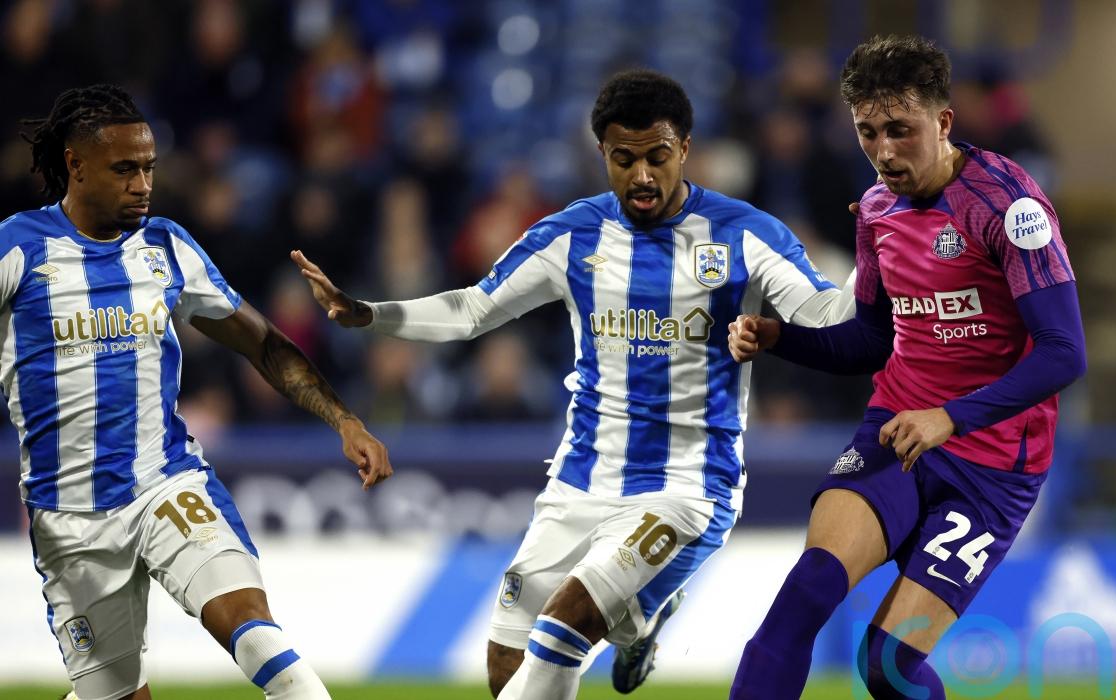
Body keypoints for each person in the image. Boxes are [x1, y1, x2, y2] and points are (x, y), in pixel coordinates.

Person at [292, 69, 855, 699]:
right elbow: (474, 308)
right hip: (580, 480)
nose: (642, 176)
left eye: (657, 157)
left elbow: (830, 317)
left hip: (686, 485)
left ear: (685, 149)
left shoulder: (744, 234)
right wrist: (370, 313)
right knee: (506, 660)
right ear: (601, 154)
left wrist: (880, 249)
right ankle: (643, 617)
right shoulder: (572, 234)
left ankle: (639, 609)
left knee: (567, 621)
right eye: (624, 159)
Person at [725, 35, 1086, 699]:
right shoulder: (876, 211)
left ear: (943, 122)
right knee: (804, 595)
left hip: (993, 467)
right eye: (867, 133)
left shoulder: (1009, 207)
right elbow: (869, 342)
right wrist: (780, 337)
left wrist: (950, 418)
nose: (884, 152)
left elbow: (1065, 352)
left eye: (900, 130)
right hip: (895, 434)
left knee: (887, 668)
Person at [10, 84, 392, 700]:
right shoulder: (19, 248)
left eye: (149, 168)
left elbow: (262, 343)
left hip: (165, 484)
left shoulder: (165, 247)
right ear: (75, 165)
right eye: (124, 169)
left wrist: (344, 420)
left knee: (257, 635)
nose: (143, 185)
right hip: (69, 517)